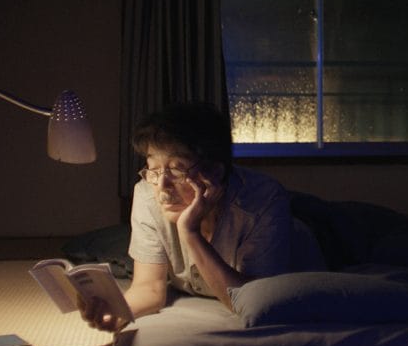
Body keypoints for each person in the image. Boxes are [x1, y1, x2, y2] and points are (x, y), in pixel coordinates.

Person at [81, 102, 293, 332]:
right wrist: (118, 311)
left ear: (215, 172)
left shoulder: (264, 202)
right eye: (153, 169)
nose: (162, 187)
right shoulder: (147, 191)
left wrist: (190, 233)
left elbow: (252, 303)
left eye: (177, 170)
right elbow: (150, 288)